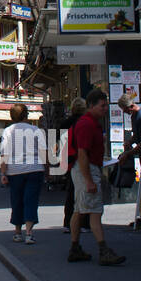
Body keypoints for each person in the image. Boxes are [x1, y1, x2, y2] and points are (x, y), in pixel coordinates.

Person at [67, 88, 124, 265]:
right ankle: (103, 250)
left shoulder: (91, 123)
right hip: (87, 169)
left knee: (80, 210)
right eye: (102, 106)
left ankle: (75, 248)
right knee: (95, 211)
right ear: (91, 106)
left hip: (84, 169)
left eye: (106, 105)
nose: (105, 109)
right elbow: (82, 153)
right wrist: (89, 180)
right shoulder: (87, 124)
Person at [0, 104, 46, 243]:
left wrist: (2, 174)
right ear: (27, 115)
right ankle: (29, 233)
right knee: (31, 200)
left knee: (17, 200)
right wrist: (47, 170)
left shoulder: (7, 131)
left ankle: (18, 232)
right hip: (35, 169)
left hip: (14, 171)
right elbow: (44, 152)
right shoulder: (36, 130)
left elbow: (4, 154)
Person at [61, 96, 89, 232]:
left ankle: (68, 223)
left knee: (71, 192)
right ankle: (83, 223)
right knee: (84, 192)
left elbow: (57, 142)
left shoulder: (65, 123)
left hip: (68, 160)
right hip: (81, 159)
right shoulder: (85, 122)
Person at [116, 92, 141, 183]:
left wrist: (128, 153)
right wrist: (129, 142)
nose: (124, 111)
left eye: (124, 109)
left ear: (130, 106)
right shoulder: (134, 116)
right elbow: (137, 135)